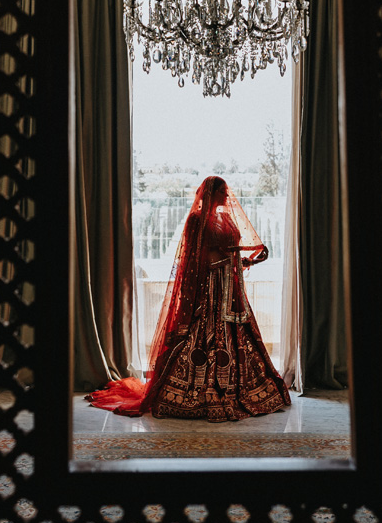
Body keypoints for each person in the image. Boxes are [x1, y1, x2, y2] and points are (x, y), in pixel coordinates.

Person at [87, 175, 290, 422]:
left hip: (231, 291)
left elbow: (229, 253)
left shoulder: (226, 218)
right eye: (223, 191)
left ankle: (244, 389)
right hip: (208, 291)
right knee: (200, 338)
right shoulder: (197, 220)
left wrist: (247, 261)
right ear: (211, 193)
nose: (227, 196)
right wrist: (231, 260)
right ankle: (195, 393)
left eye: (227, 191)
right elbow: (197, 259)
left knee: (241, 337)